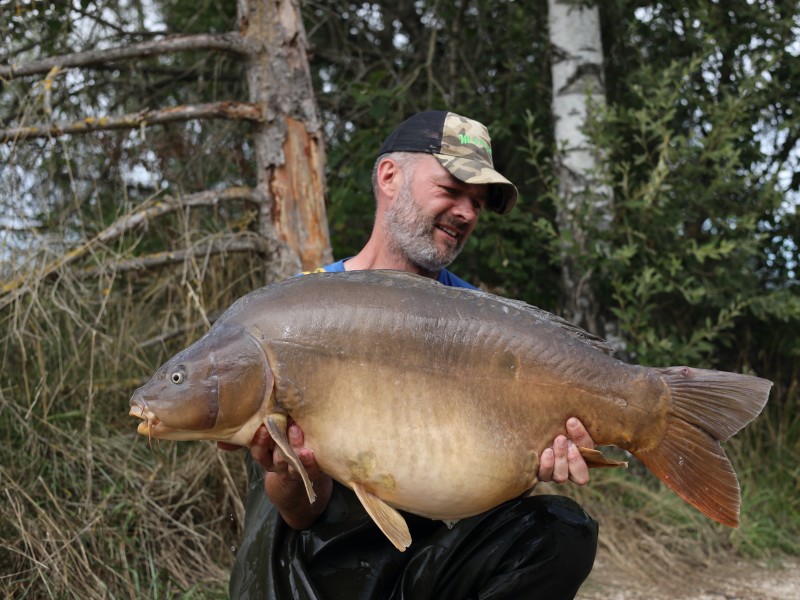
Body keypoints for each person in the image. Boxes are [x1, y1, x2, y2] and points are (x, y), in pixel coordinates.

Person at [224, 110, 599, 599]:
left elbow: (476, 486)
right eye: (451, 189)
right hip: (319, 572)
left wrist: (534, 461)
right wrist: (292, 472)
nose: (466, 212)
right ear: (389, 176)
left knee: (560, 532)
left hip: (424, 565)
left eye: (477, 202)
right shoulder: (296, 308)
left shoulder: (483, 323)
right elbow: (297, 514)